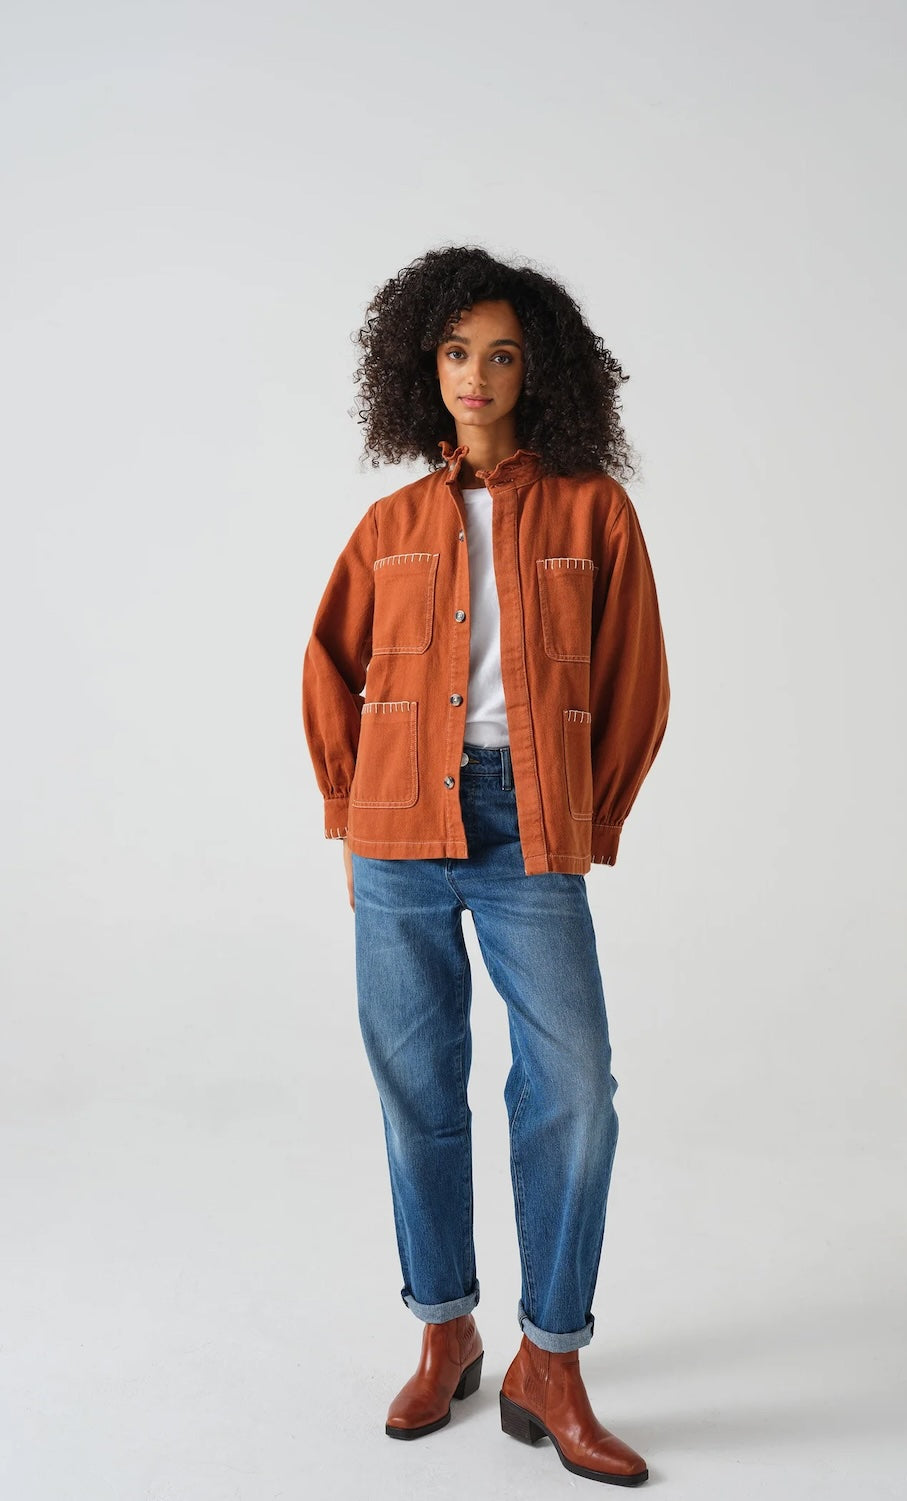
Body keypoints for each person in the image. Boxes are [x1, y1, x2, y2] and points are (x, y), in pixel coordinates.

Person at [302, 245, 669, 1487]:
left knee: (573, 1088)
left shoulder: (592, 511)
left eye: (501, 354)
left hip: (527, 827)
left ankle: (548, 1360)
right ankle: (444, 1327)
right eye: (457, 352)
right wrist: (349, 816)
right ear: (425, 366)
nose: (476, 375)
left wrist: (583, 819)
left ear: (536, 370)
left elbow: (635, 677)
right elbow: (328, 667)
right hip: (398, 828)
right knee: (416, 1088)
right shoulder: (391, 525)